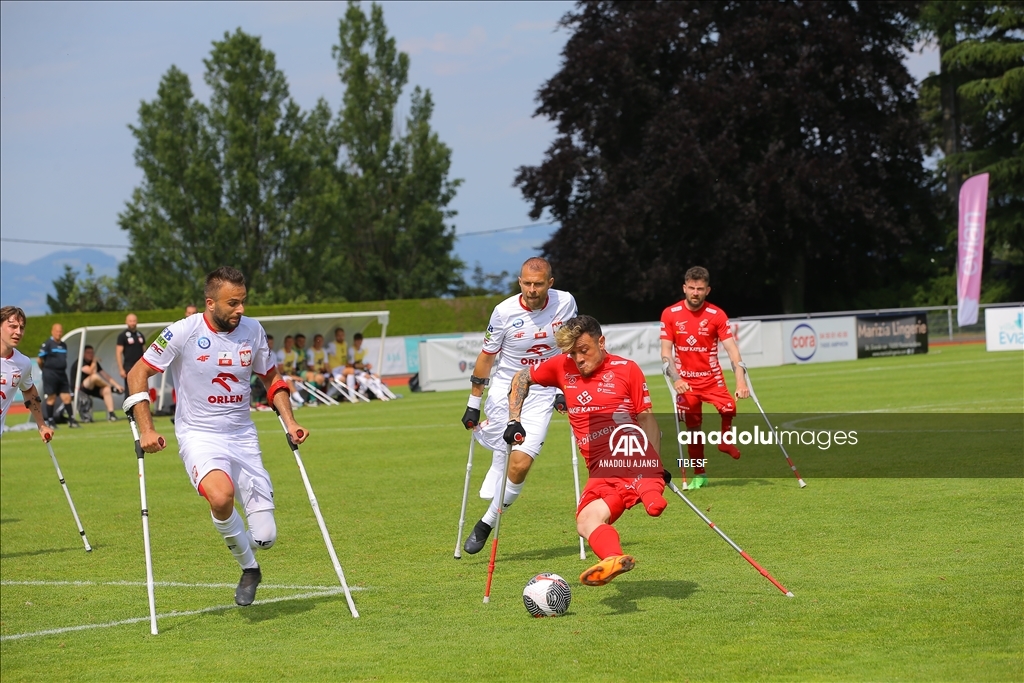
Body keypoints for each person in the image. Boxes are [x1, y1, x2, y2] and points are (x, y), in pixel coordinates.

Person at [126, 266, 308, 606]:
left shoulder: (253, 330)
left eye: (243, 302)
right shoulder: (183, 331)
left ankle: (253, 547)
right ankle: (249, 568)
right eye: (232, 304)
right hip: (199, 434)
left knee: (266, 536)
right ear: (211, 303)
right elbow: (138, 372)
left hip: (242, 435)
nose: (240, 310)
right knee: (220, 497)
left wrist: (291, 421)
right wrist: (147, 428)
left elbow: (272, 378)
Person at [506, 314, 666, 586]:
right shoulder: (562, 366)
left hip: (629, 452)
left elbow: (646, 418)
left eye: (584, 350)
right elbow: (522, 377)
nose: (578, 359)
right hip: (599, 470)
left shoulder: (627, 369)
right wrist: (514, 419)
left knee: (650, 497)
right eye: (572, 352)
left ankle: (651, 490)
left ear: (601, 342)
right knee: (586, 521)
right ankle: (613, 559)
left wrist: (655, 462)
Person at [459, 257, 578, 555]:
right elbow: (487, 357)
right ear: (519, 282)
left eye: (538, 284)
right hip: (506, 387)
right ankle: (494, 446)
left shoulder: (565, 303)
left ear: (550, 283)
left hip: (543, 389)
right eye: (526, 283)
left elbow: (570, 346)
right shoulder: (504, 312)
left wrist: (567, 386)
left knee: (521, 464)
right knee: (508, 438)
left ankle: (486, 522)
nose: (532, 290)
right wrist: (473, 403)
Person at [660, 266, 749, 490]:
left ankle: (725, 441)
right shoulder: (670, 314)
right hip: (686, 383)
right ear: (684, 288)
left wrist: (741, 381)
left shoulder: (717, 315)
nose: (695, 292)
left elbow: (733, 351)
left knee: (729, 407)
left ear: (707, 290)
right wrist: (676, 379)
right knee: (694, 431)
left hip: (711, 379)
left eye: (700, 289)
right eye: (691, 288)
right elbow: (665, 353)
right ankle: (699, 473)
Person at [1, 306, 53, 441]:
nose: (18, 332)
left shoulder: (23, 363)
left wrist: (41, 425)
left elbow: (29, 391)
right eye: (12, 326)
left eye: (21, 328)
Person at [38, 323, 79, 428]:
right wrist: (45, 370)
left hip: (62, 374)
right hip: (50, 374)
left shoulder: (64, 345)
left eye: (60, 331)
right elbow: (40, 360)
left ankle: (71, 420)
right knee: (51, 397)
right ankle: (50, 421)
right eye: (57, 331)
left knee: (67, 397)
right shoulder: (47, 344)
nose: (59, 333)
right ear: (52, 331)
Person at [70, 345, 123, 422]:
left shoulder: (94, 363)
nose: (91, 354)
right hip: (81, 389)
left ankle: (111, 414)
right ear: (83, 353)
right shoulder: (79, 362)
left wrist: (117, 385)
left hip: (93, 388)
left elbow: (105, 375)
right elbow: (91, 372)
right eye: (88, 353)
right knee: (94, 376)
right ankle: (112, 388)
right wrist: (94, 361)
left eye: (92, 352)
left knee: (106, 390)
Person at [274, 335, 305, 408]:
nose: (289, 343)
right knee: (288, 381)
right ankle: (300, 400)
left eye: (291, 342)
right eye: (288, 342)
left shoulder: (295, 354)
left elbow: (293, 369)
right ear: (285, 342)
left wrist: (294, 376)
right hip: (281, 375)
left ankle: (298, 400)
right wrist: (293, 377)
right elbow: (280, 370)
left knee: (294, 380)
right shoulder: (281, 353)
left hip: (288, 375)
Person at [116, 314, 147, 380]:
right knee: (130, 387)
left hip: (140, 365)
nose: (132, 323)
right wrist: (121, 369)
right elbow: (118, 353)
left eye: (134, 321)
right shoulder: (122, 336)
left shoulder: (140, 335)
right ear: (126, 322)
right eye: (130, 321)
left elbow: (144, 350)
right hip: (128, 366)